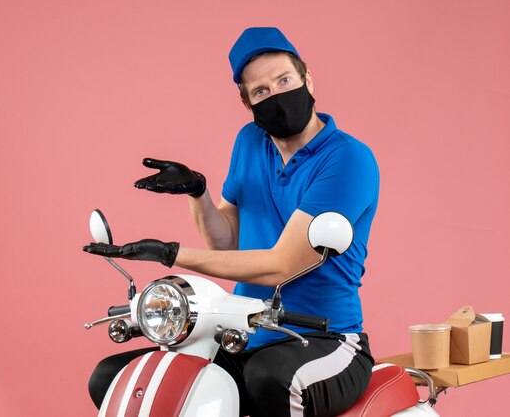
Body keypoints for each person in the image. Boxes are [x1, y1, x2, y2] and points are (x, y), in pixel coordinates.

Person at [85, 27, 379, 417]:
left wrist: (170, 255)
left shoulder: (348, 160)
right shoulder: (250, 141)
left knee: (268, 379)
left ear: (307, 79)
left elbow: (281, 266)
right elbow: (225, 242)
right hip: (247, 335)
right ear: (247, 103)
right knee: (116, 375)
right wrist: (198, 193)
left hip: (325, 339)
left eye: (284, 80)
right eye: (261, 91)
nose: (276, 96)